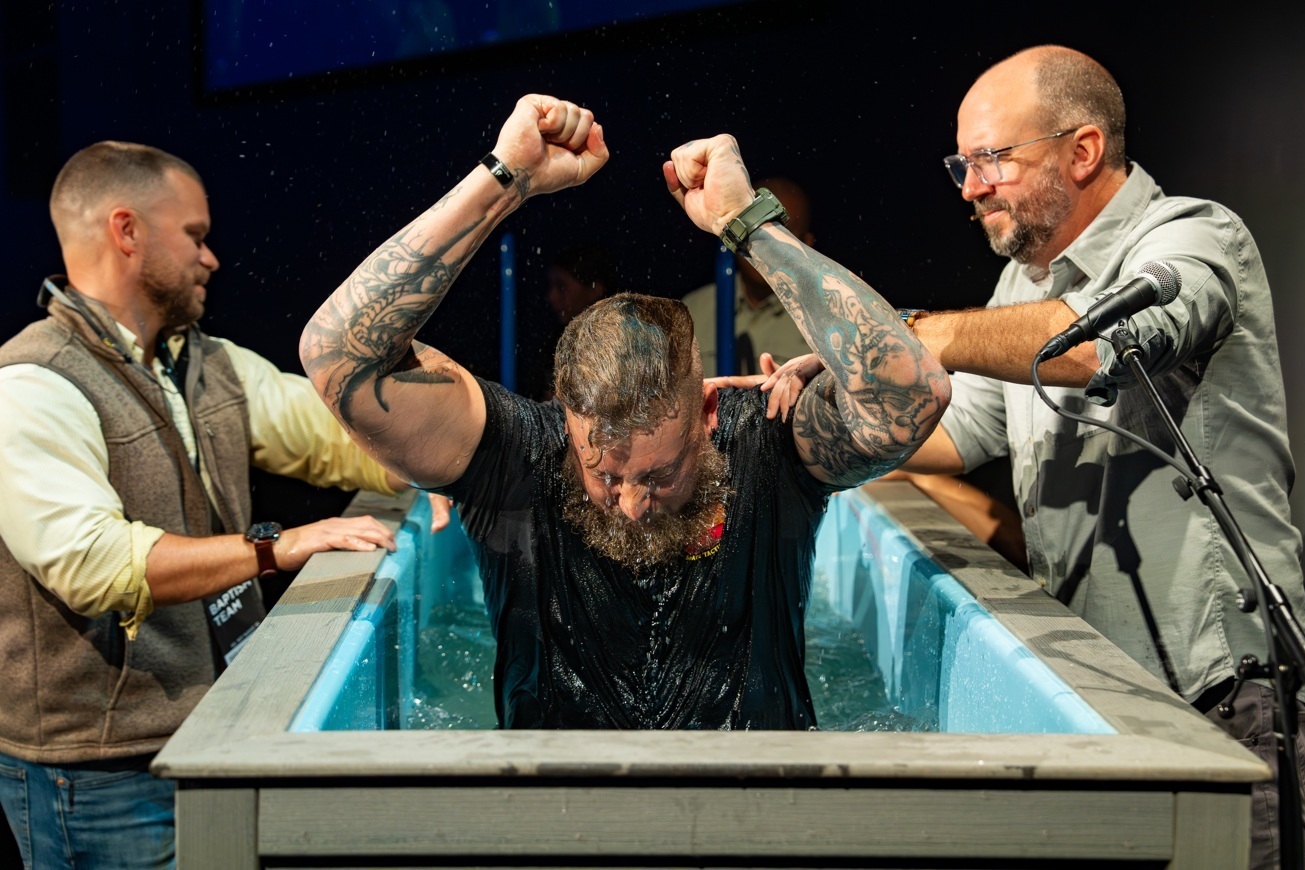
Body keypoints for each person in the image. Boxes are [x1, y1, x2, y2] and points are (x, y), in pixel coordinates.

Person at [762, 45, 1305, 868]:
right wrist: (844, 401)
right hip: (1099, 697)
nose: (969, 187)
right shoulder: (1022, 288)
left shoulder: (1200, 237)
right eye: (962, 162)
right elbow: (955, 436)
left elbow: (1110, 345)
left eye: (991, 159)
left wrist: (928, 336)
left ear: (1083, 150)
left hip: (1222, 697)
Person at [299, 95, 950, 730]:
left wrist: (748, 224)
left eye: (661, 475)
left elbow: (915, 394)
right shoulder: (515, 461)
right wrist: (504, 179)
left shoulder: (770, 443)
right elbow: (334, 353)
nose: (634, 504)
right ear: (566, 418)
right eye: (606, 477)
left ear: (707, 411)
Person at [0, 141, 446, 870]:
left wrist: (437, 467)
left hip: (208, 733)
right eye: (196, 237)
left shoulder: (207, 362)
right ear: (127, 231)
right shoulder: (31, 384)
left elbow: (329, 435)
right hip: (98, 768)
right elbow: (92, 564)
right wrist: (276, 548)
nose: (213, 259)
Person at [682, 176, 816, 376]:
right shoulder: (693, 312)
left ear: (807, 243)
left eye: (781, 234)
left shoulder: (822, 323)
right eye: (752, 230)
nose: (763, 246)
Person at [523, 240, 619, 399]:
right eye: (551, 286)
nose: (551, 297)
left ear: (594, 289)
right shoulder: (554, 342)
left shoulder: (621, 343)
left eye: (562, 287)